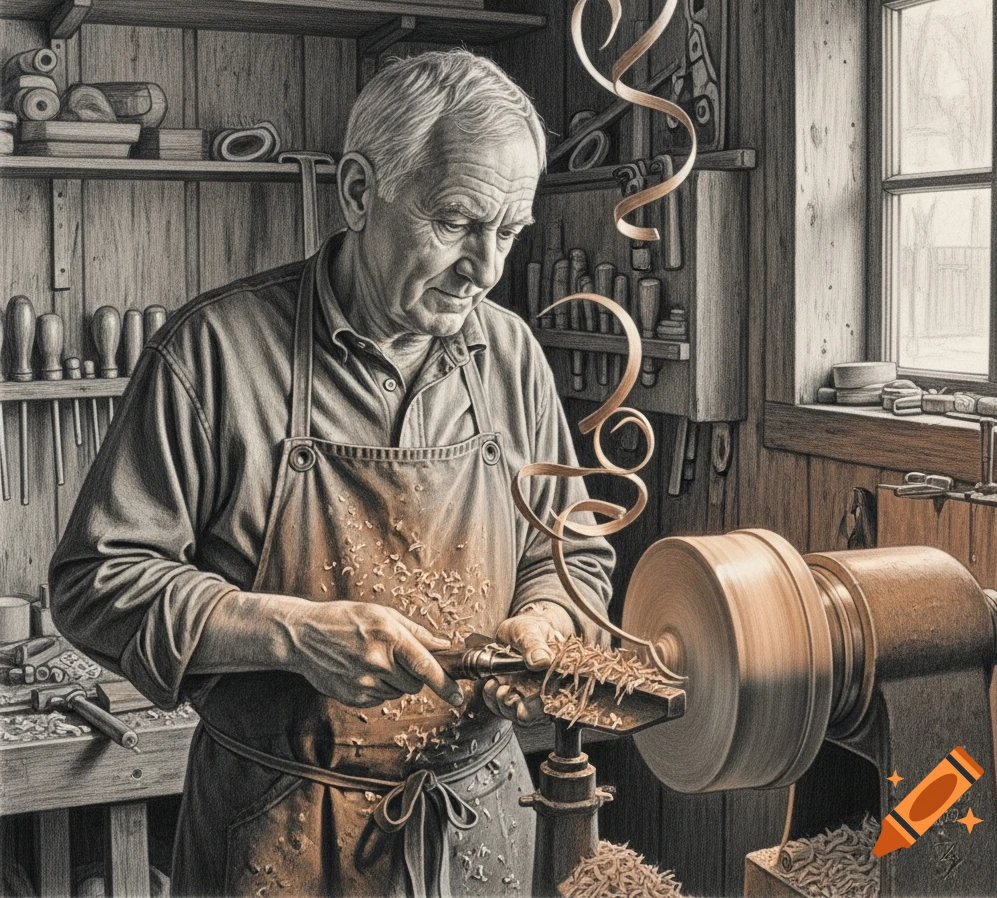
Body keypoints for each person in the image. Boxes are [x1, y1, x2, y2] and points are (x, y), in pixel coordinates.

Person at [50, 50, 615, 897]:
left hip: (475, 829)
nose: (487, 267)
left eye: (510, 231)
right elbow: (96, 581)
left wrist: (546, 621)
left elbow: (570, 554)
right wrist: (294, 632)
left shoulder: (511, 355)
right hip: (278, 828)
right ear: (358, 191)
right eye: (458, 222)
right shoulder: (214, 354)